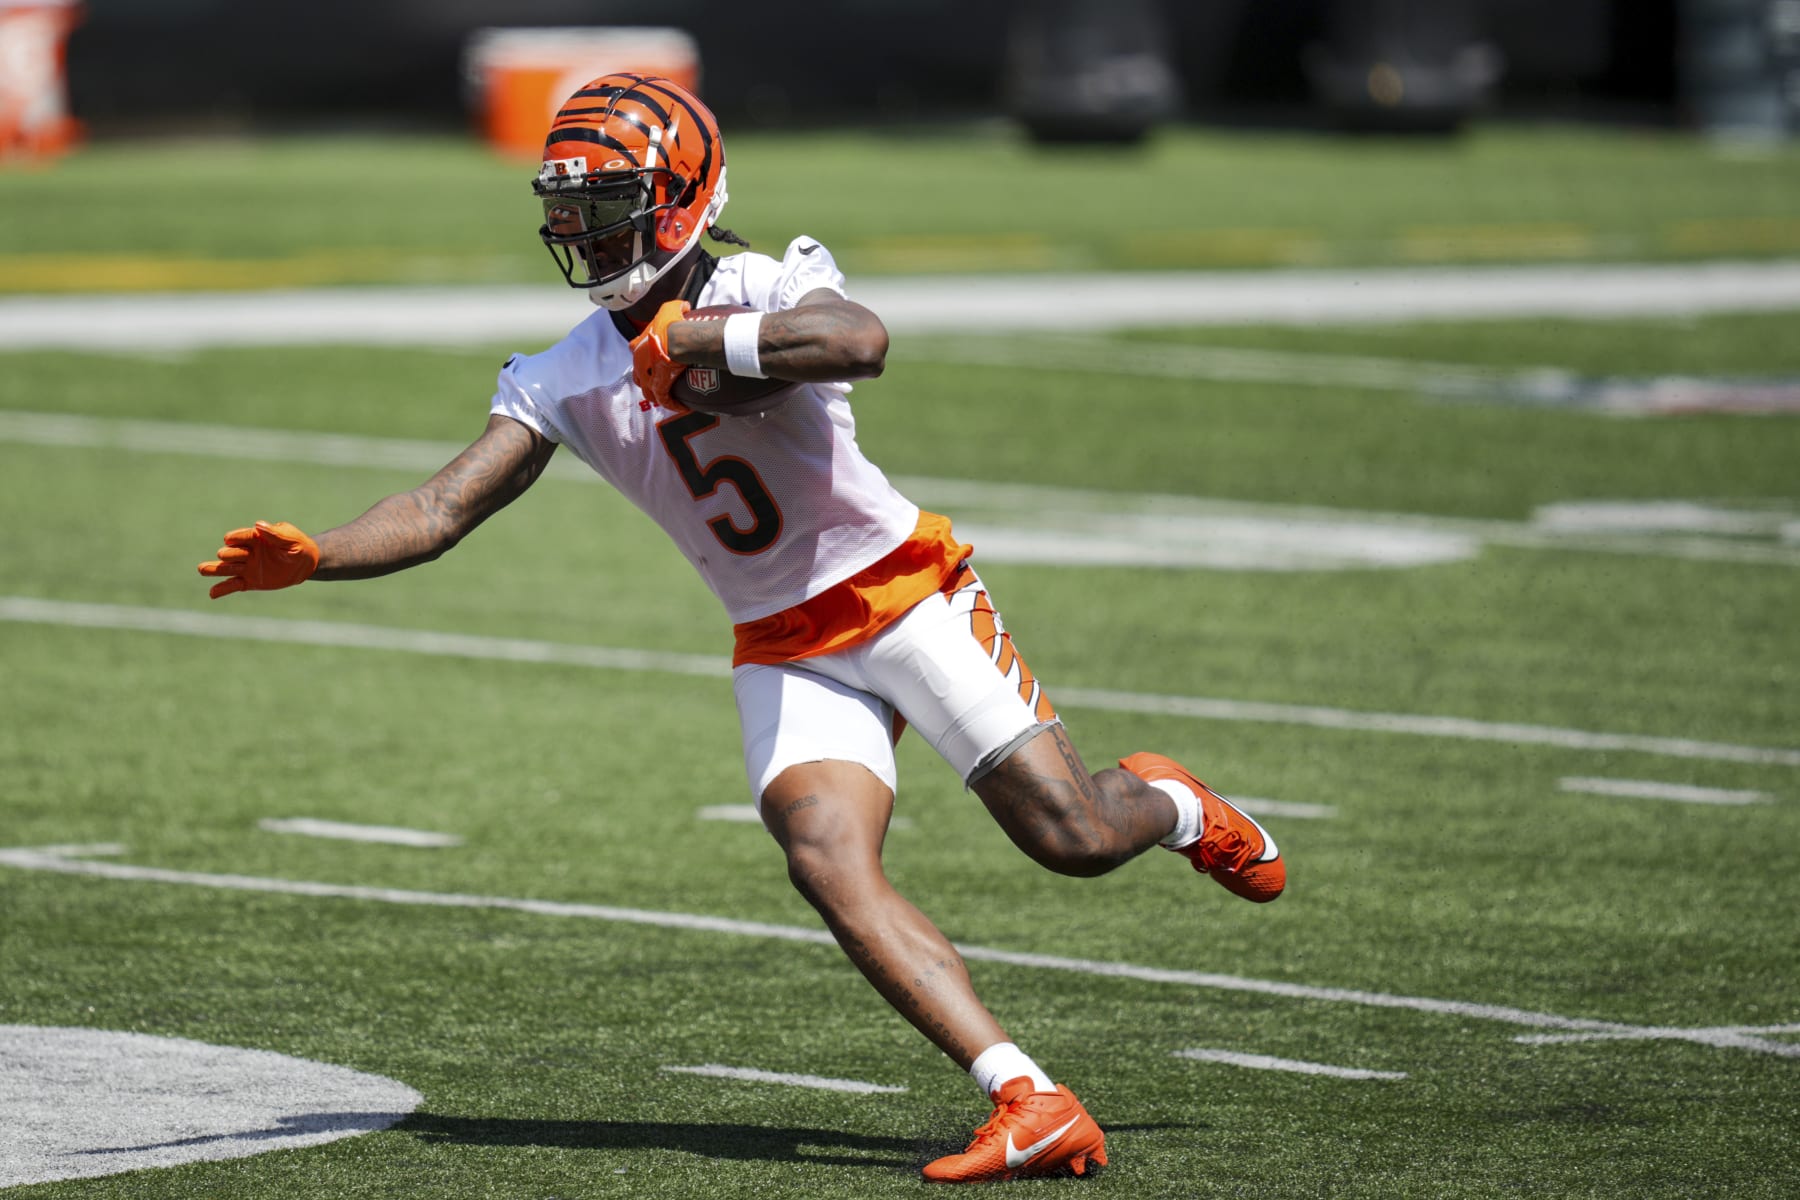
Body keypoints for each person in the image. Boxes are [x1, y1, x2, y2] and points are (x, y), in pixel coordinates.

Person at [198, 74, 1285, 1184]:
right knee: (824, 858)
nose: (580, 227)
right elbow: (439, 509)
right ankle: (1026, 1094)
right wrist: (320, 552)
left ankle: (1172, 802)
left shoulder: (763, 277)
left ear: (681, 195)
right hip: (779, 639)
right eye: (568, 204)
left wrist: (715, 340)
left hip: (906, 597)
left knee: (1075, 840)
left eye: (608, 198)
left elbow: (859, 340)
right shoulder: (565, 372)